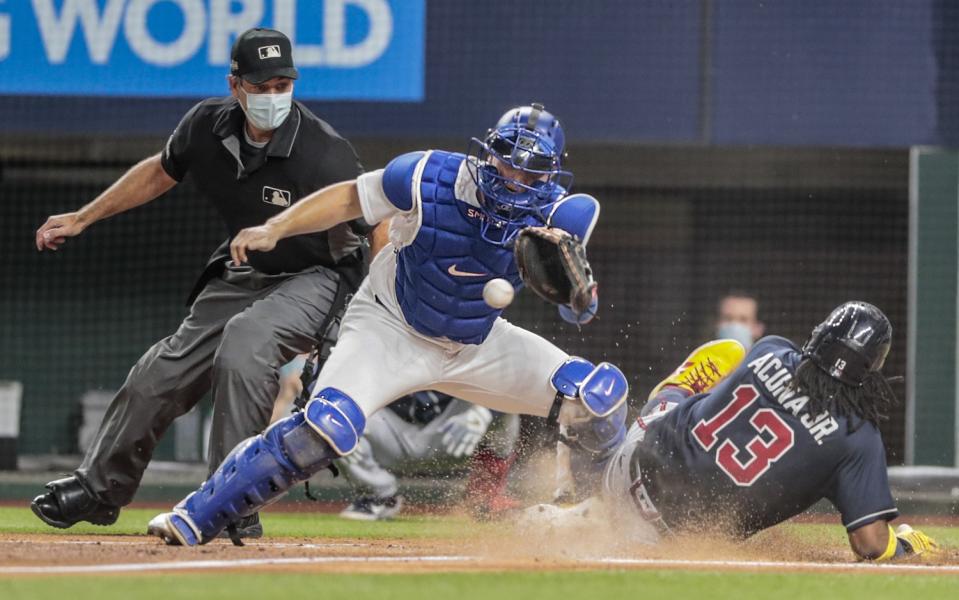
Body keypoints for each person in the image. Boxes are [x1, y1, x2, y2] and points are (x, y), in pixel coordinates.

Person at [146, 102, 631, 546]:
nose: (515, 176)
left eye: (532, 169)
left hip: (477, 342)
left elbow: (575, 307)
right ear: (489, 152)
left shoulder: (566, 214)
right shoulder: (425, 175)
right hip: (390, 327)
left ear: (551, 173)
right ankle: (195, 516)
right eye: (507, 159)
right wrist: (276, 227)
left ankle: (597, 511)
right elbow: (347, 199)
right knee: (325, 429)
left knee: (598, 395)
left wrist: (579, 301)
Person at [30, 28, 369, 539]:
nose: (274, 95)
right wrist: (84, 216)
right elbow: (161, 170)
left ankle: (231, 502)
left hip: (317, 274)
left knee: (245, 345)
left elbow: (377, 221)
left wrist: (366, 311)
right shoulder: (206, 125)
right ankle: (100, 489)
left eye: (283, 84)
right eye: (262, 85)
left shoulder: (323, 152)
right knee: (159, 371)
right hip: (246, 267)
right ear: (236, 85)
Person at [530, 302, 939, 562]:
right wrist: (906, 545)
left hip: (627, 467)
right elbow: (871, 544)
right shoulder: (858, 438)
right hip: (661, 542)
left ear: (819, 336)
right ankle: (592, 496)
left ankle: (601, 438)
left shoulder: (771, 348)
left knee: (701, 377)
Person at [337, 391, 520, 521]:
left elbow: (513, 382)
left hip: (452, 436)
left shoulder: (463, 344)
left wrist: (485, 412)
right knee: (336, 416)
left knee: (504, 409)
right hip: (391, 436)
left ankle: (484, 496)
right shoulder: (377, 346)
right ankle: (377, 496)